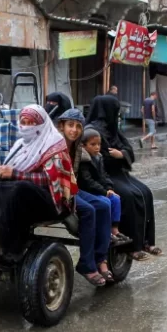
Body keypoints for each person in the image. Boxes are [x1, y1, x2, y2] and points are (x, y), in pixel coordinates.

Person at [0, 105, 77, 264]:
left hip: (52, 201)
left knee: (20, 189)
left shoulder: (54, 145)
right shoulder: (20, 144)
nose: (25, 127)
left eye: (30, 123)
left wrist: (15, 174)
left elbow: (53, 180)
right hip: (23, 194)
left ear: (41, 124)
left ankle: (12, 247)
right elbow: (10, 167)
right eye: (23, 122)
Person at [84, 94, 162, 261]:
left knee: (146, 192)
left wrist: (122, 154)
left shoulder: (112, 129)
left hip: (119, 173)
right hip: (103, 176)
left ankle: (146, 241)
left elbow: (127, 149)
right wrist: (116, 155)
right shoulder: (93, 130)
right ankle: (131, 247)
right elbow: (98, 156)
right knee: (128, 196)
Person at [56, 108, 112, 286]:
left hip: (72, 188)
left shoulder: (78, 147)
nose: (74, 130)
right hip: (58, 190)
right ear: (62, 126)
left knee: (105, 205)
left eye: (78, 126)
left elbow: (75, 174)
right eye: (70, 125)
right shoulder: (56, 144)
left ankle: (100, 259)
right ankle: (86, 264)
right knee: (88, 211)